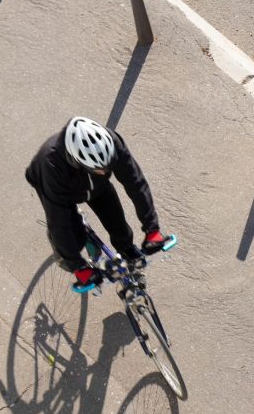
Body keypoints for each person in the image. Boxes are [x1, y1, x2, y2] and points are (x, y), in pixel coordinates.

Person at [26, 117, 172, 292]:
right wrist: (78, 267)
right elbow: (58, 221)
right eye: (99, 169)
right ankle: (70, 250)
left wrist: (152, 229)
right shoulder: (51, 164)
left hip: (97, 186)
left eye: (107, 166)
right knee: (71, 236)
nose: (104, 171)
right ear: (76, 161)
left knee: (119, 228)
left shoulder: (112, 142)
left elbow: (136, 184)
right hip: (58, 188)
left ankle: (127, 253)